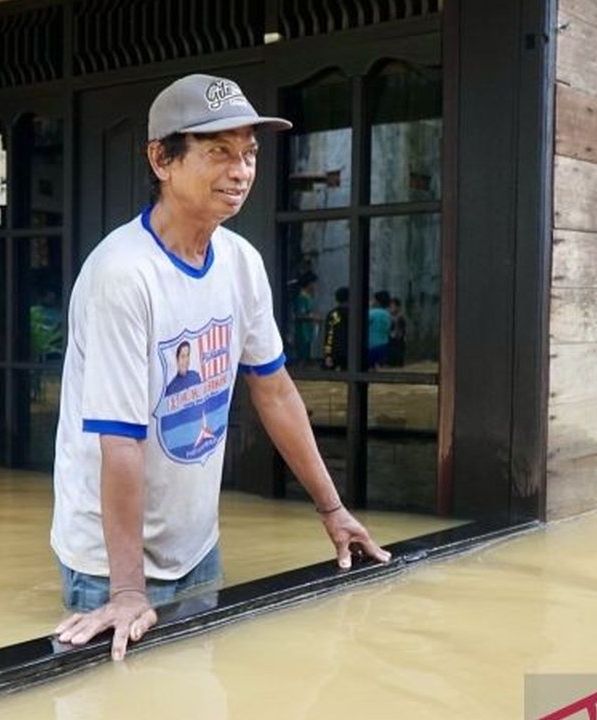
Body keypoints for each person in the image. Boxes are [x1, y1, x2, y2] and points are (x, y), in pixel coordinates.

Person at [50, 73, 391, 661]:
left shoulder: (240, 261)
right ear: (162, 158)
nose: (241, 171)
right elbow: (120, 442)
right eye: (218, 152)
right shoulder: (122, 276)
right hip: (109, 563)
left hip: (197, 547)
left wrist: (333, 511)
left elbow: (276, 391)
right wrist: (127, 591)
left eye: (249, 153)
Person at [291, 272, 319, 365]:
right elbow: (299, 315)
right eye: (314, 283)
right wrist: (312, 317)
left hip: (308, 331)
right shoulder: (301, 298)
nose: (315, 286)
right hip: (302, 331)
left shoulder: (309, 297)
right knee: (303, 356)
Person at [321, 286, 349, 370]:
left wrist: (327, 355)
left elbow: (329, 335)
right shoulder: (356, 313)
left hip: (336, 352)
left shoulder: (333, 314)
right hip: (352, 353)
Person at [367, 290, 391, 369]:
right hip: (384, 345)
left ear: (377, 301)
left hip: (371, 346)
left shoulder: (372, 313)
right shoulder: (388, 314)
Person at [386, 296, 407, 367]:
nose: (390, 309)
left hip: (397, 342)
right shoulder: (390, 317)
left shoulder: (399, 317)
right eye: (390, 307)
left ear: (398, 307)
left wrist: (393, 335)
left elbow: (399, 332)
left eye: (393, 307)